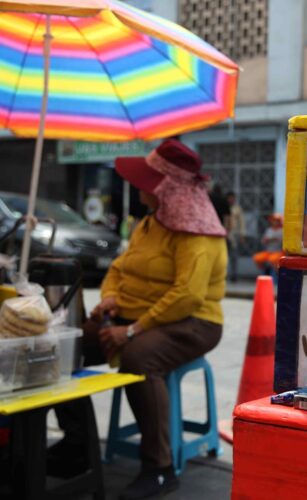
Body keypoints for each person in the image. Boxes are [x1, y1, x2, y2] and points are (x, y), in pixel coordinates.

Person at [51, 139, 228, 500]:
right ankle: (77, 447)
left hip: (193, 323)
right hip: (136, 317)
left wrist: (131, 330)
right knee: (62, 346)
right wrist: (110, 297)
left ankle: (159, 469)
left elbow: (187, 296)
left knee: (138, 358)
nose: (138, 187)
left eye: (147, 181)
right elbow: (119, 266)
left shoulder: (197, 235)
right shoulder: (149, 223)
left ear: (168, 189)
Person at [252, 213, 283, 280]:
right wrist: (267, 240)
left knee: (272, 259)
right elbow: (263, 241)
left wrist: (275, 239)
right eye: (273, 220)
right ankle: (266, 271)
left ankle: (278, 275)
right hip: (268, 252)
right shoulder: (269, 230)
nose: (275, 222)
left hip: (277, 252)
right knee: (257, 258)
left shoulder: (282, 231)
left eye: (276, 220)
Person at [225, 191, 246, 282]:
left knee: (234, 256)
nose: (231, 199)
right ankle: (223, 275)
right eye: (229, 198)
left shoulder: (237, 209)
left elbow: (241, 222)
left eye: (232, 198)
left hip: (234, 234)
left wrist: (242, 234)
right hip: (224, 234)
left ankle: (234, 275)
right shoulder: (224, 207)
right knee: (224, 256)